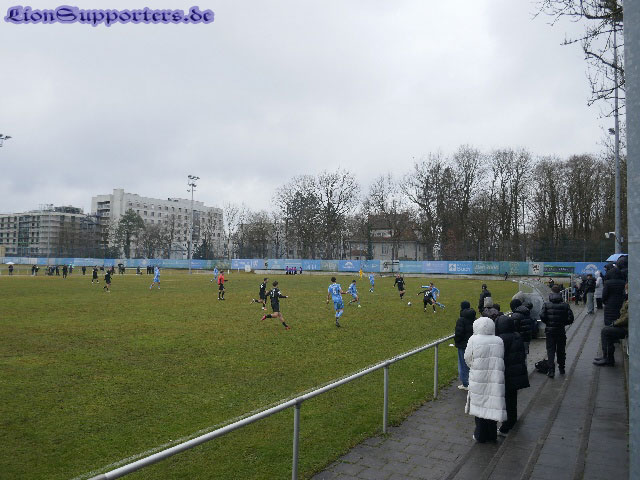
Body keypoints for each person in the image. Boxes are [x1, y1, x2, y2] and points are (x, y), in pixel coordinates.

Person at [464, 316, 507, 443]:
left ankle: (480, 435)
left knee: (480, 404)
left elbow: (467, 358)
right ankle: (492, 435)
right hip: (495, 377)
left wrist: (475, 366)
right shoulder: (498, 341)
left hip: (479, 377)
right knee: (492, 404)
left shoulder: (473, 340)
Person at [495, 314, 529, 435]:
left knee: (506, 401)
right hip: (516, 373)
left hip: (506, 374)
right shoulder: (517, 336)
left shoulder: (500, 340)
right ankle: (513, 420)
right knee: (512, 399)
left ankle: (506, 426)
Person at [539, 285, 574, 378]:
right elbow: (571, 318)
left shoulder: (546, 304)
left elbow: (542, 315)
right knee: (561, 350)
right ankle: (562, 368)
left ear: (551, 292)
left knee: (550, 350)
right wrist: (563, 323)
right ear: (559, 293)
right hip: (560, 330)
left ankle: (551, 370)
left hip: (550, 331)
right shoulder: (565, 305)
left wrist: (548, 322)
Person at [594, 297, 628, 366]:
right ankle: (606, 356)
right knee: (606, 330)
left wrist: (615, 323)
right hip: (625, 326)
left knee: (605, 331)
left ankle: (608, 359)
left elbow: (626, 318)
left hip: (626, 328)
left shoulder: (632, 301)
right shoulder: (628, 300)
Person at [453, 301, 475, 390]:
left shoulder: (461, 320)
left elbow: (459, 333)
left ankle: (466, 383)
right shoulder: (474, 318)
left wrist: (457, 341)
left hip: (463, 345)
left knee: (463, 364)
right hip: (473, 344)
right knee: (472, 363)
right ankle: (472, 381)